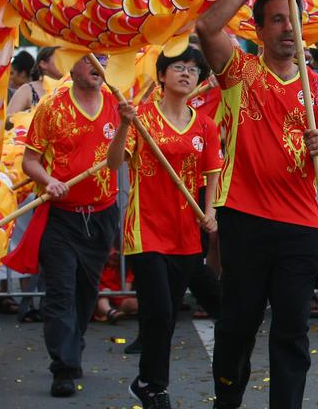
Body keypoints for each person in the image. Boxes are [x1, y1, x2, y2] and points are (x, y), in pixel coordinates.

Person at [195, 0, 318, 409]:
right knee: (238, 324)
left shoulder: (317, 85)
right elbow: (206, 26)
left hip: (301, 225)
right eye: (276, 20)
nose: (286, 28)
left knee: (292, 329)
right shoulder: (239, 72)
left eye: (292, 19)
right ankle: (227, 399)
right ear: (258, 30)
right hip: (245, 220)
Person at [111, 46, 223, 408]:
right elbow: (114, 162)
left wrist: (211, 213)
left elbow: (213, 174)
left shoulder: (204, 125)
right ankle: (155, 386)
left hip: (187, 232)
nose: (186, 73)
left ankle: (146, 381)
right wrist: (125, 123)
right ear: (161, 75)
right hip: (145, 230)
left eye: (193, 69)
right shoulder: (141, 117)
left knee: (168, 314)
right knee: (158, 310)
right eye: (178, 66)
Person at [6, 55, 124, 398]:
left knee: (86, 293)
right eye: (89, 59)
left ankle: (74, 344)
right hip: (62, 216)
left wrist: (127, 126)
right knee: (61, 293)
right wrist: (50, 179)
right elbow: (30, 161)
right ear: (72, 65)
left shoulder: (116, 102)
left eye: (102, 59)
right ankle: (64, 367)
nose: (98, 66)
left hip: (102, 214)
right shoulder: (52, 106)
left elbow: (117, 162)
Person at [5, 46, 63, 123]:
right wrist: (28, 116)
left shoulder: (73, 88)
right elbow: (6, 121)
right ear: (43, 64)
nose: (65, 62)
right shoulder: (28, 90)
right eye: (60, 58)